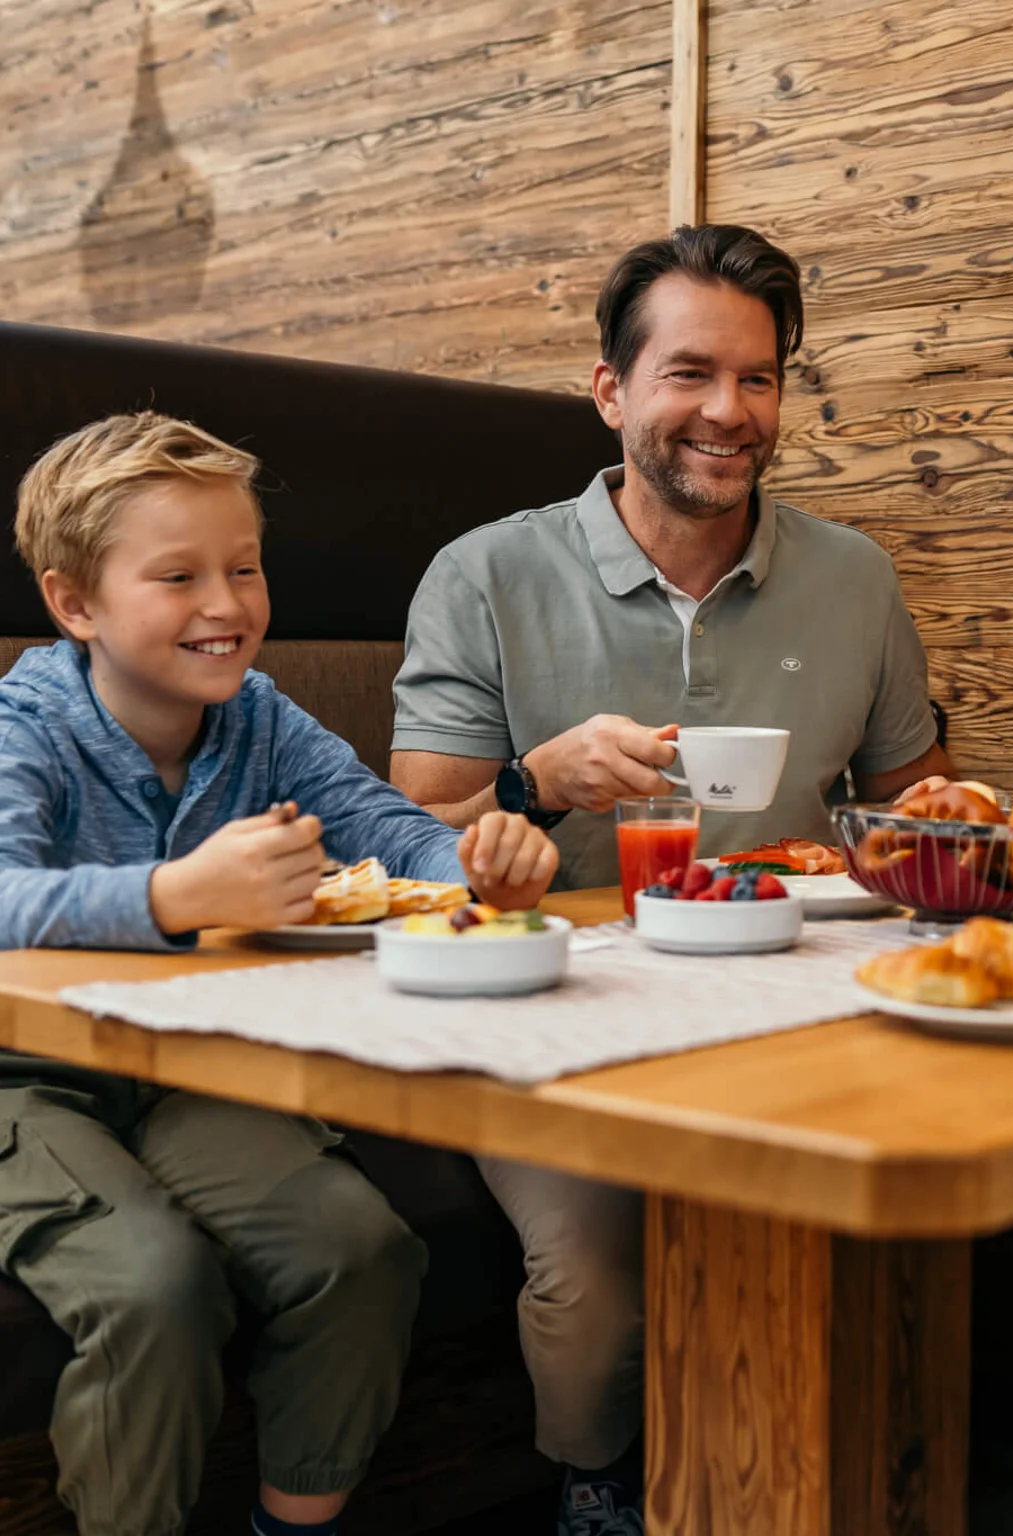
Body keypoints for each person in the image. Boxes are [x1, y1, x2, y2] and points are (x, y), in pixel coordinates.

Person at [387, 223, 953, 1532]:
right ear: (611, 391)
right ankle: (602, 1488)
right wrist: (535, 779)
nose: (728, 411)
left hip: (804, 993)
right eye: (690, 373)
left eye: (758, 379)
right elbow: (405, 841)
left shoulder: (855, 578)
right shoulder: (485, 574)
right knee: (597, 1279)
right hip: (549, 1010)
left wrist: (929, 829)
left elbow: (919, 807)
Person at [0, 414, 558, 1536]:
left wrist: (477, 863)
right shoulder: (29, 722)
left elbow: (389, 832)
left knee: (359, 1253)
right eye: (178, 577)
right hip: (29, 1079)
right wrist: (175, 896)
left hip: (197, 1069)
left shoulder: (261, 716)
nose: (226, 604)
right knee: (153, 1287)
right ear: (74, 604)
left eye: (245, 568)